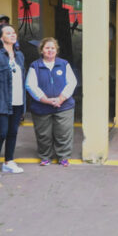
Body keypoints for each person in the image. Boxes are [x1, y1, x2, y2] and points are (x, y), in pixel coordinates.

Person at [26, 37, 77, 166]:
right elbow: (30, 85)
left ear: (56, 50)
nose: (50, 50)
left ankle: (63, 157)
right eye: (47, 48)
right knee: (44, 134)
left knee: (64, 132)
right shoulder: (35, 66)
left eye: (53, 48)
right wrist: (46, 100)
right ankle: (45, 156)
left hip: (64, 106)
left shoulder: (64, 64)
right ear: (41, 50)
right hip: (41, 107)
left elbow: (72, 82)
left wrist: (61, 98)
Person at [0, 24, 26, 179]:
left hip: (18, 99)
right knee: (1, 132)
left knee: (13, 132)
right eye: (8, 33)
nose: (12, 34)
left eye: (13, 32)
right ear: (0, 37)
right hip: (2, 99)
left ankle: (9, 161)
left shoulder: (19, 55)